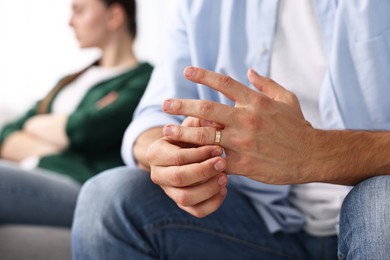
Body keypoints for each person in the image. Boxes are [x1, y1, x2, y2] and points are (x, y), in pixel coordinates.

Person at [72, 0, 390, 259]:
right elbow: (152, 119)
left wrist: (313, 153)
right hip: (254, 221)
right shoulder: (198, 6)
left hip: (374, 215)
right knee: (107, 196)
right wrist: (170, 156)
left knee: (382, 203)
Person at [0, 0, 152, 227]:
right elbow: (8, 134)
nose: (70, 22)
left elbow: (85, 130)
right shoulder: (69, 81)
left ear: (115, 16)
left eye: (79, 11)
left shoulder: (144, 80)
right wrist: (53, 144)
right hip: (37, 174)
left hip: (85, 187)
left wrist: (37, 134)